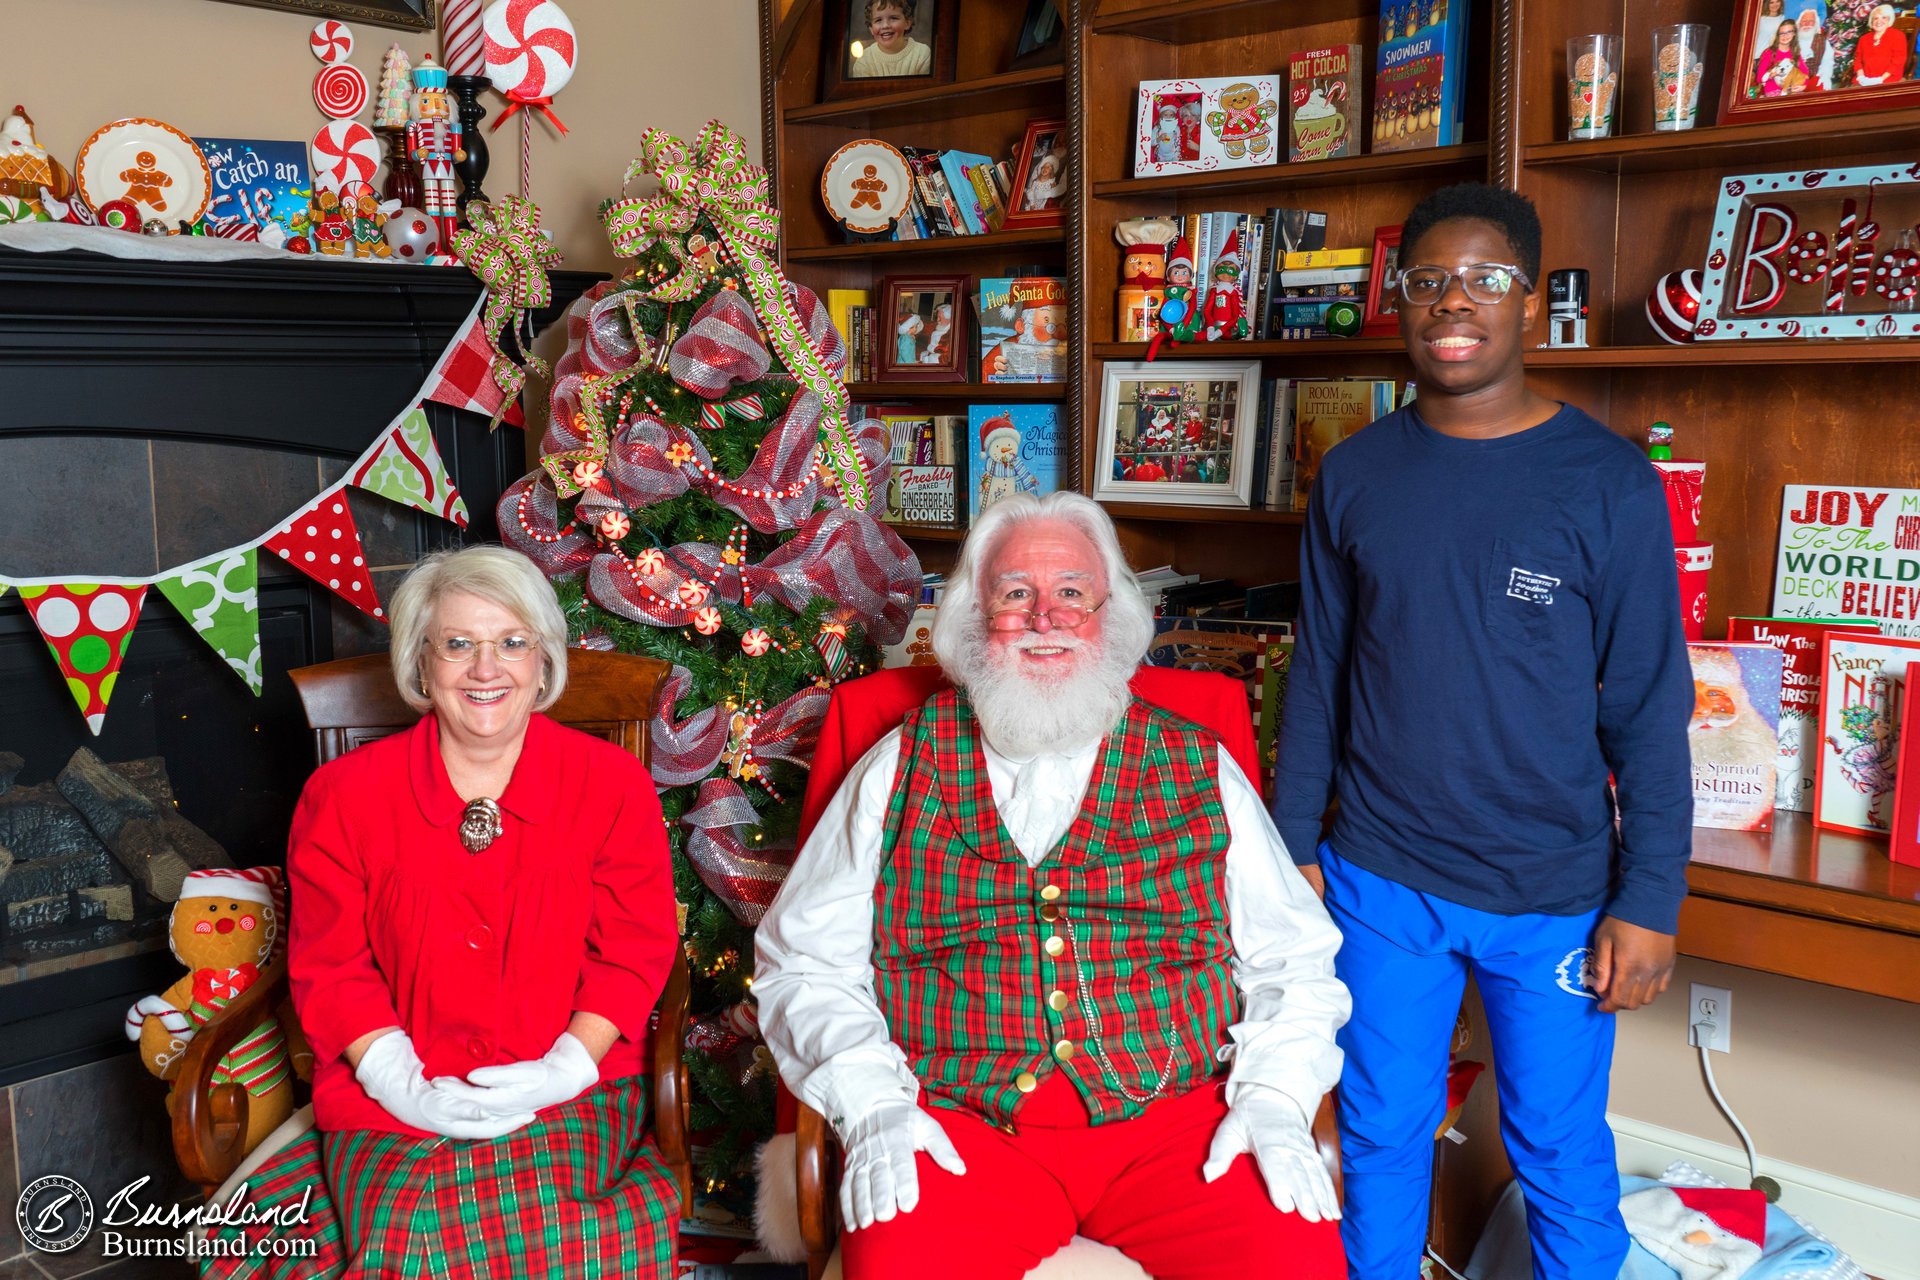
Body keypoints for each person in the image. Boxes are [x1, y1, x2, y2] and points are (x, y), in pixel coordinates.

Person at [755, 491, 1351, 1280]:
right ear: (973, 620)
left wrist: (1275, 1096)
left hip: (1179, 1129)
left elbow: (1293, 959)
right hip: (963, 1130)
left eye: (1072, 592)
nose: (1046, 617)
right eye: (1015, 595)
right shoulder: (898, 765)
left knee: (1294, 1260)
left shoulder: (1199, 762)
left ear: (1112, 617)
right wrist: (873, 1105)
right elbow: (804, 962)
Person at [1271, 183, 1693, 1280]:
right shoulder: (1357, 473)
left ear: (1532, 303)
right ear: (1399, 302)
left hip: (1547, 887)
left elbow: (1649, 700)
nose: (1454, 299)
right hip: (1379, 875)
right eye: (1427, 280)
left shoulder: (1609, 485)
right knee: (1380, 1129)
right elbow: (1317, 672)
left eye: (1486, 277)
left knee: (1556, 1144)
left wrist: (1648, 899)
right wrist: (1293, 850)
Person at [205, 546, 681, 1278]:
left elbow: (635, 946)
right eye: (458, 644)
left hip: (565, 1087)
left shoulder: (610, 783)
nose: (486, 669)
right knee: (411, 1247)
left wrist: (565, 1065)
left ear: (544, 662)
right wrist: (395, 1077)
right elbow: (330, 964)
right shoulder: (342, 796)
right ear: (421, 665)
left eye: (512, 643)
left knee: (553, 1239)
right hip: (391, 1093)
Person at [850, 0, 932, 78]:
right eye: (878, 20)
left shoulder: (922, 55)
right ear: (871, 28)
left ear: (907, 22)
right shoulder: (864, 61)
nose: (885, 25)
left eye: (893, 18)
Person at [1854, 4, 1907, 84]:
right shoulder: (1864, 39)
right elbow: (1858, 60)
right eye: (1875, 18)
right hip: (1865, 79)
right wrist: (1861, 77)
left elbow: (1898, 62)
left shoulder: (1898, 36)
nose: (1879, 21)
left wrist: (1879, 80)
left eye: (1884, 17)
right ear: (1871, 21)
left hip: (1889, 80)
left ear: (1889, 20)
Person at [1757, 19, 1811, 94]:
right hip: (1773, 91)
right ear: (1777, 35)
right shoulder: (1769, 53)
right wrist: (1772, 74)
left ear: (1794, 33)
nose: (1785, 36)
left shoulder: (1795, 53)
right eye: (1781, 33)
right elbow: (1759, 78)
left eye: (1789, 32)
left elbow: (1805, 73)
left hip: (1790, 90)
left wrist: (1804, 85)